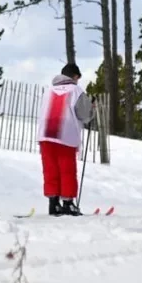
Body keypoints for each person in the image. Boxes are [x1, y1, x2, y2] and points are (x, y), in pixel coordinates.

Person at [36, 63, 94, 216]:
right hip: (65, 134)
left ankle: (53, 203)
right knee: (66, 169)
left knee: (50, 169)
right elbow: (84, 115)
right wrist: (91, 109)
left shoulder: (49, 90)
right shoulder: (76, 90)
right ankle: (68, 203)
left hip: (46, 134)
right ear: (75, 76)